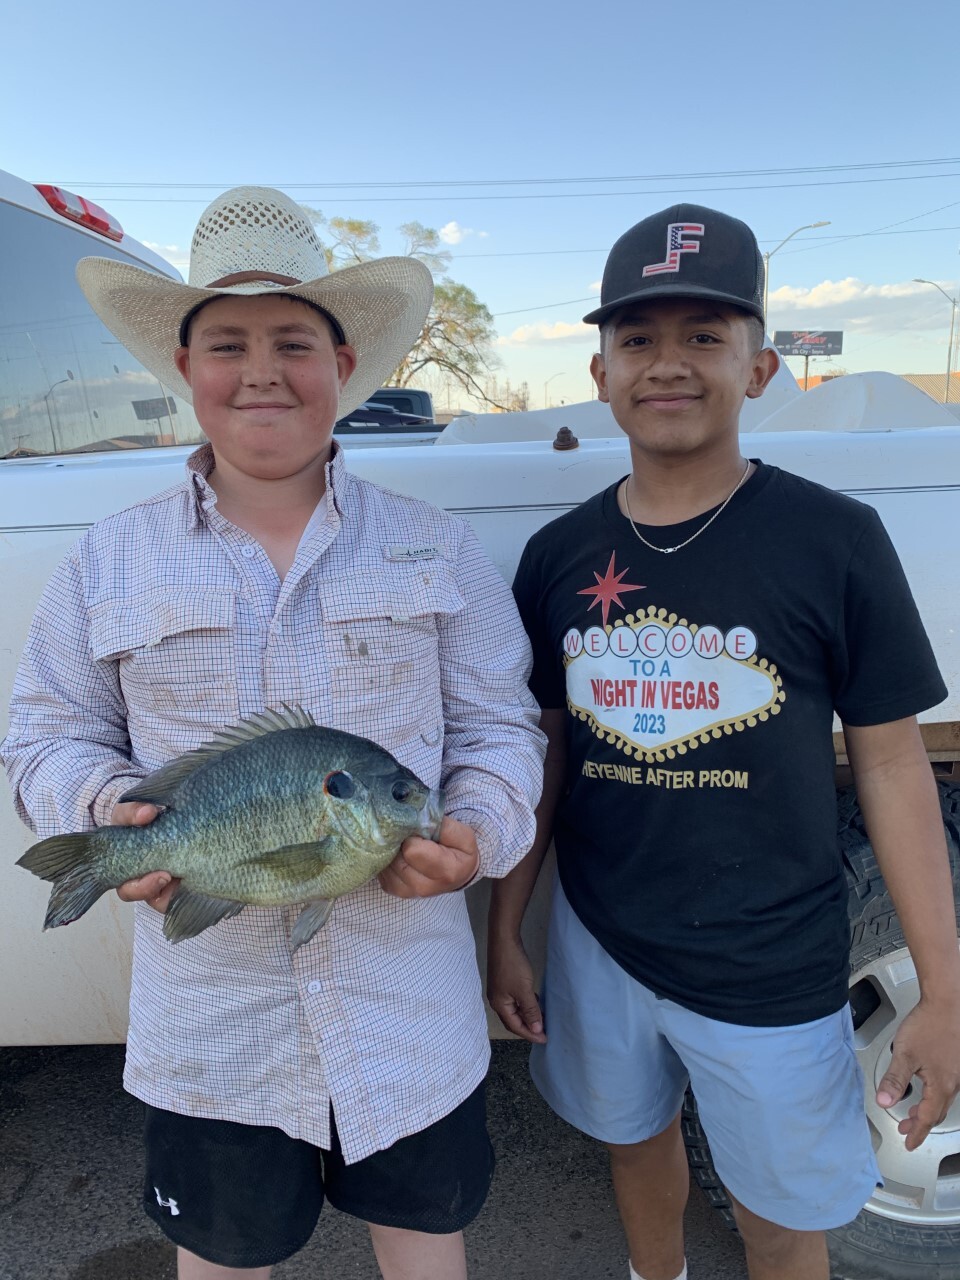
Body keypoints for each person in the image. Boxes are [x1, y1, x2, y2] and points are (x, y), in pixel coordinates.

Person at [2, 186, 545, 1280]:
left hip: (410, 1019)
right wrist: (108, 816)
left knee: (428, 1241)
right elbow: (44, 735)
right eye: (228, 343)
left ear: (342, 363)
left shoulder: (436, 548)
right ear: (186, 369)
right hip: (215, 1032)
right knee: (221, 1258)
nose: (262, 370)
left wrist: (475, 832)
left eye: (293, 341)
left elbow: (500, 725)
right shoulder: (110, 557)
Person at [488, 202, 960, 1280]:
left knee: (785, 1219)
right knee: (634, 1144)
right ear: (599, 369)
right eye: (639, 338)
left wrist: (945, 986)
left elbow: (890, 761)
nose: (669, 363)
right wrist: (505, 925)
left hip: (773, 965)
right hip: (599, 941)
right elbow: (544, 756)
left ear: (761, 365)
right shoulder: (559, 554)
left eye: (705, 334)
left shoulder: (834, 538)